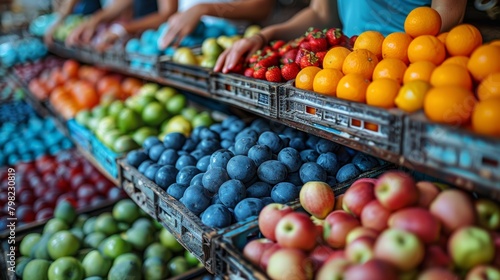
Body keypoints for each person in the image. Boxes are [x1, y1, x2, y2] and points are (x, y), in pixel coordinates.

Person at [214, 0, 467, 73]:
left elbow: (446, 15)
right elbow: (321, 15)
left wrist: (406, 54)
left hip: (409, 71)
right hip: (344, 72)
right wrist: (262, 36)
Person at [157, 0, 275, 49]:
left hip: (235, 44)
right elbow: (167, 13)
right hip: (185, 46)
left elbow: (262, 7)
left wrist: (203, 9)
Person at [65, 0, 177, 50]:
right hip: (141, 42)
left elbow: (167, 14)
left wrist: (124, 29)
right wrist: (94, 21)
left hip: (164, 42)